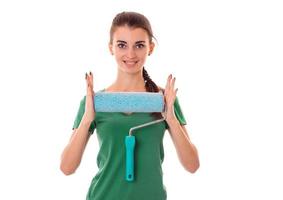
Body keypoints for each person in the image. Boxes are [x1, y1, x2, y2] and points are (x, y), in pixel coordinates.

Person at [60, 11, 199, 200]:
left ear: (150, 47)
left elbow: (192, 165)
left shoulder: (165, 99)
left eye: (139, 45)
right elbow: (67, 168)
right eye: (122, 45)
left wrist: (171, 120)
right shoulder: (93, 102)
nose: (131, 54)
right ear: (111, 48)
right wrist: (86, 120)